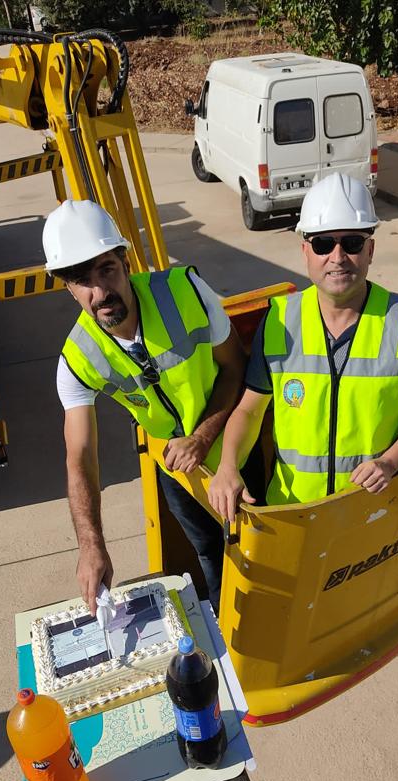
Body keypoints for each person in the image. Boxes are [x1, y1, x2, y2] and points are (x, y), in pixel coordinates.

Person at [44, 199, 246, 615]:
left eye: (107, 270)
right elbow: (79, 457)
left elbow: (235, 368)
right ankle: (226, 634)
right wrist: (91, 545)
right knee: (207, 547)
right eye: (83, 280)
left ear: (125, 261)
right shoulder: (77, 359)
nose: (100, 292)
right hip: (176, 466)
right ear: (67, 287)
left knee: (248, 545)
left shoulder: (186, 290)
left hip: (232, 446)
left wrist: (204, 436)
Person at [208, 173, 398, 519]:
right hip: (294, 510)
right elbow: (249, 410)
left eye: (351, 242)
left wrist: (390, 462)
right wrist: (228, 466)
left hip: (370, 509)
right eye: (323, 244)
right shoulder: (278, 320)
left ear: (371, 250)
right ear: (305, 250)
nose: (338, 256)